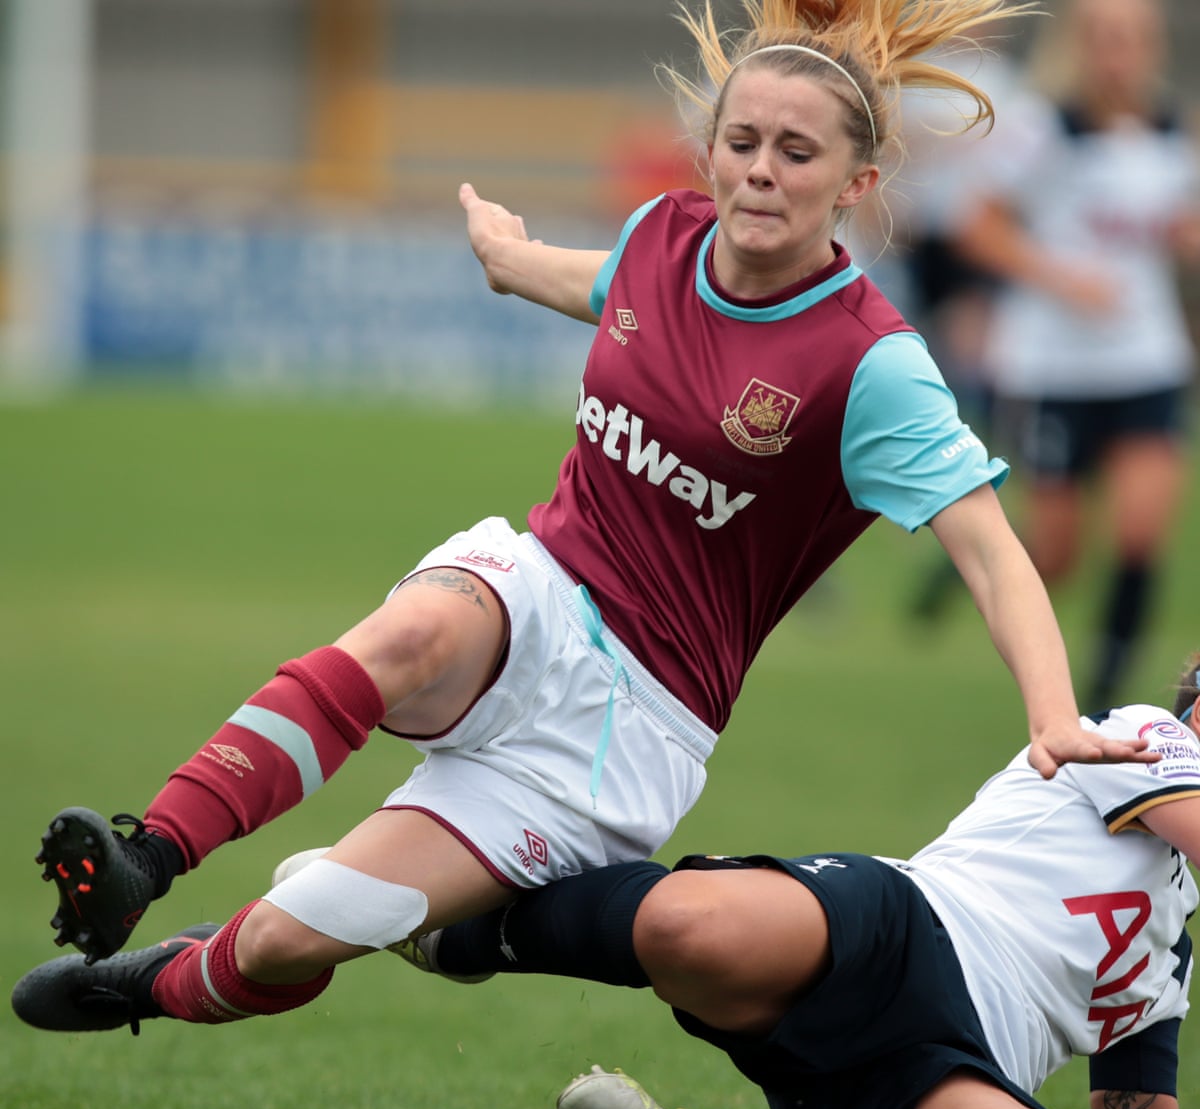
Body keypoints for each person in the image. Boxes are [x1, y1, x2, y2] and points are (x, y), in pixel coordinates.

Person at [16, 0, 1153, 1036]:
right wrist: (507, 259)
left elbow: (997, 561)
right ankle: (147, 854)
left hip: (630, 726)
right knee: (409, 634)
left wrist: (1052, 715)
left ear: (855, 185)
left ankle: (154, 981)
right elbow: (598, 286)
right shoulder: (665, 236)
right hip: (536, 591)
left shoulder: (871, 367)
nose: (760, 172)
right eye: (742, 144)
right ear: (711, 151)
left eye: (796, 153)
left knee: (284, 935)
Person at [325, 653, 1200, 1109]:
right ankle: (450, 932)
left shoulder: (1171, 965)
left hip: (943, 1078)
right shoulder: (1143, 738)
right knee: (688, 930)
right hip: (908, 928)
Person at [952, 0, 1200, 709]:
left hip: (1147, 361)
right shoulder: (1042, 128)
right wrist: (1061, 278)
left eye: (1131, 40)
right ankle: (962, 572)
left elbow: (1169, 221)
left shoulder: (1168, 130)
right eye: (1105, 40)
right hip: (1054, 367)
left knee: (1140, 533)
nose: (1118, 55)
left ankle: (1107, 704)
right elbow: (978, 226)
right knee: (1056, 553)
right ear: (1081, 47)